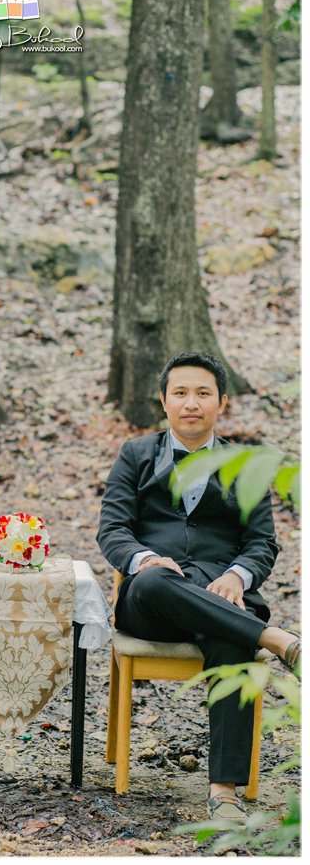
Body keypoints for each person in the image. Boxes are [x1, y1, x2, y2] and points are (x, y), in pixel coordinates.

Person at [97, 351, 300, 823]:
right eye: (181, 393)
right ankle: (274, 639)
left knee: (230, 639)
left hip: (224, 596)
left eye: (203, 393)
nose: (192, 403)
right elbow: (113, 530)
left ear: (222, 402)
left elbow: (262, 543)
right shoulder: (136, 454)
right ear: (164, 400)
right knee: (154, 581)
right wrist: (145, 559)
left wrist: (236, 575)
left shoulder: (246, 465)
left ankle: (223, 791)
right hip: (153, 601)